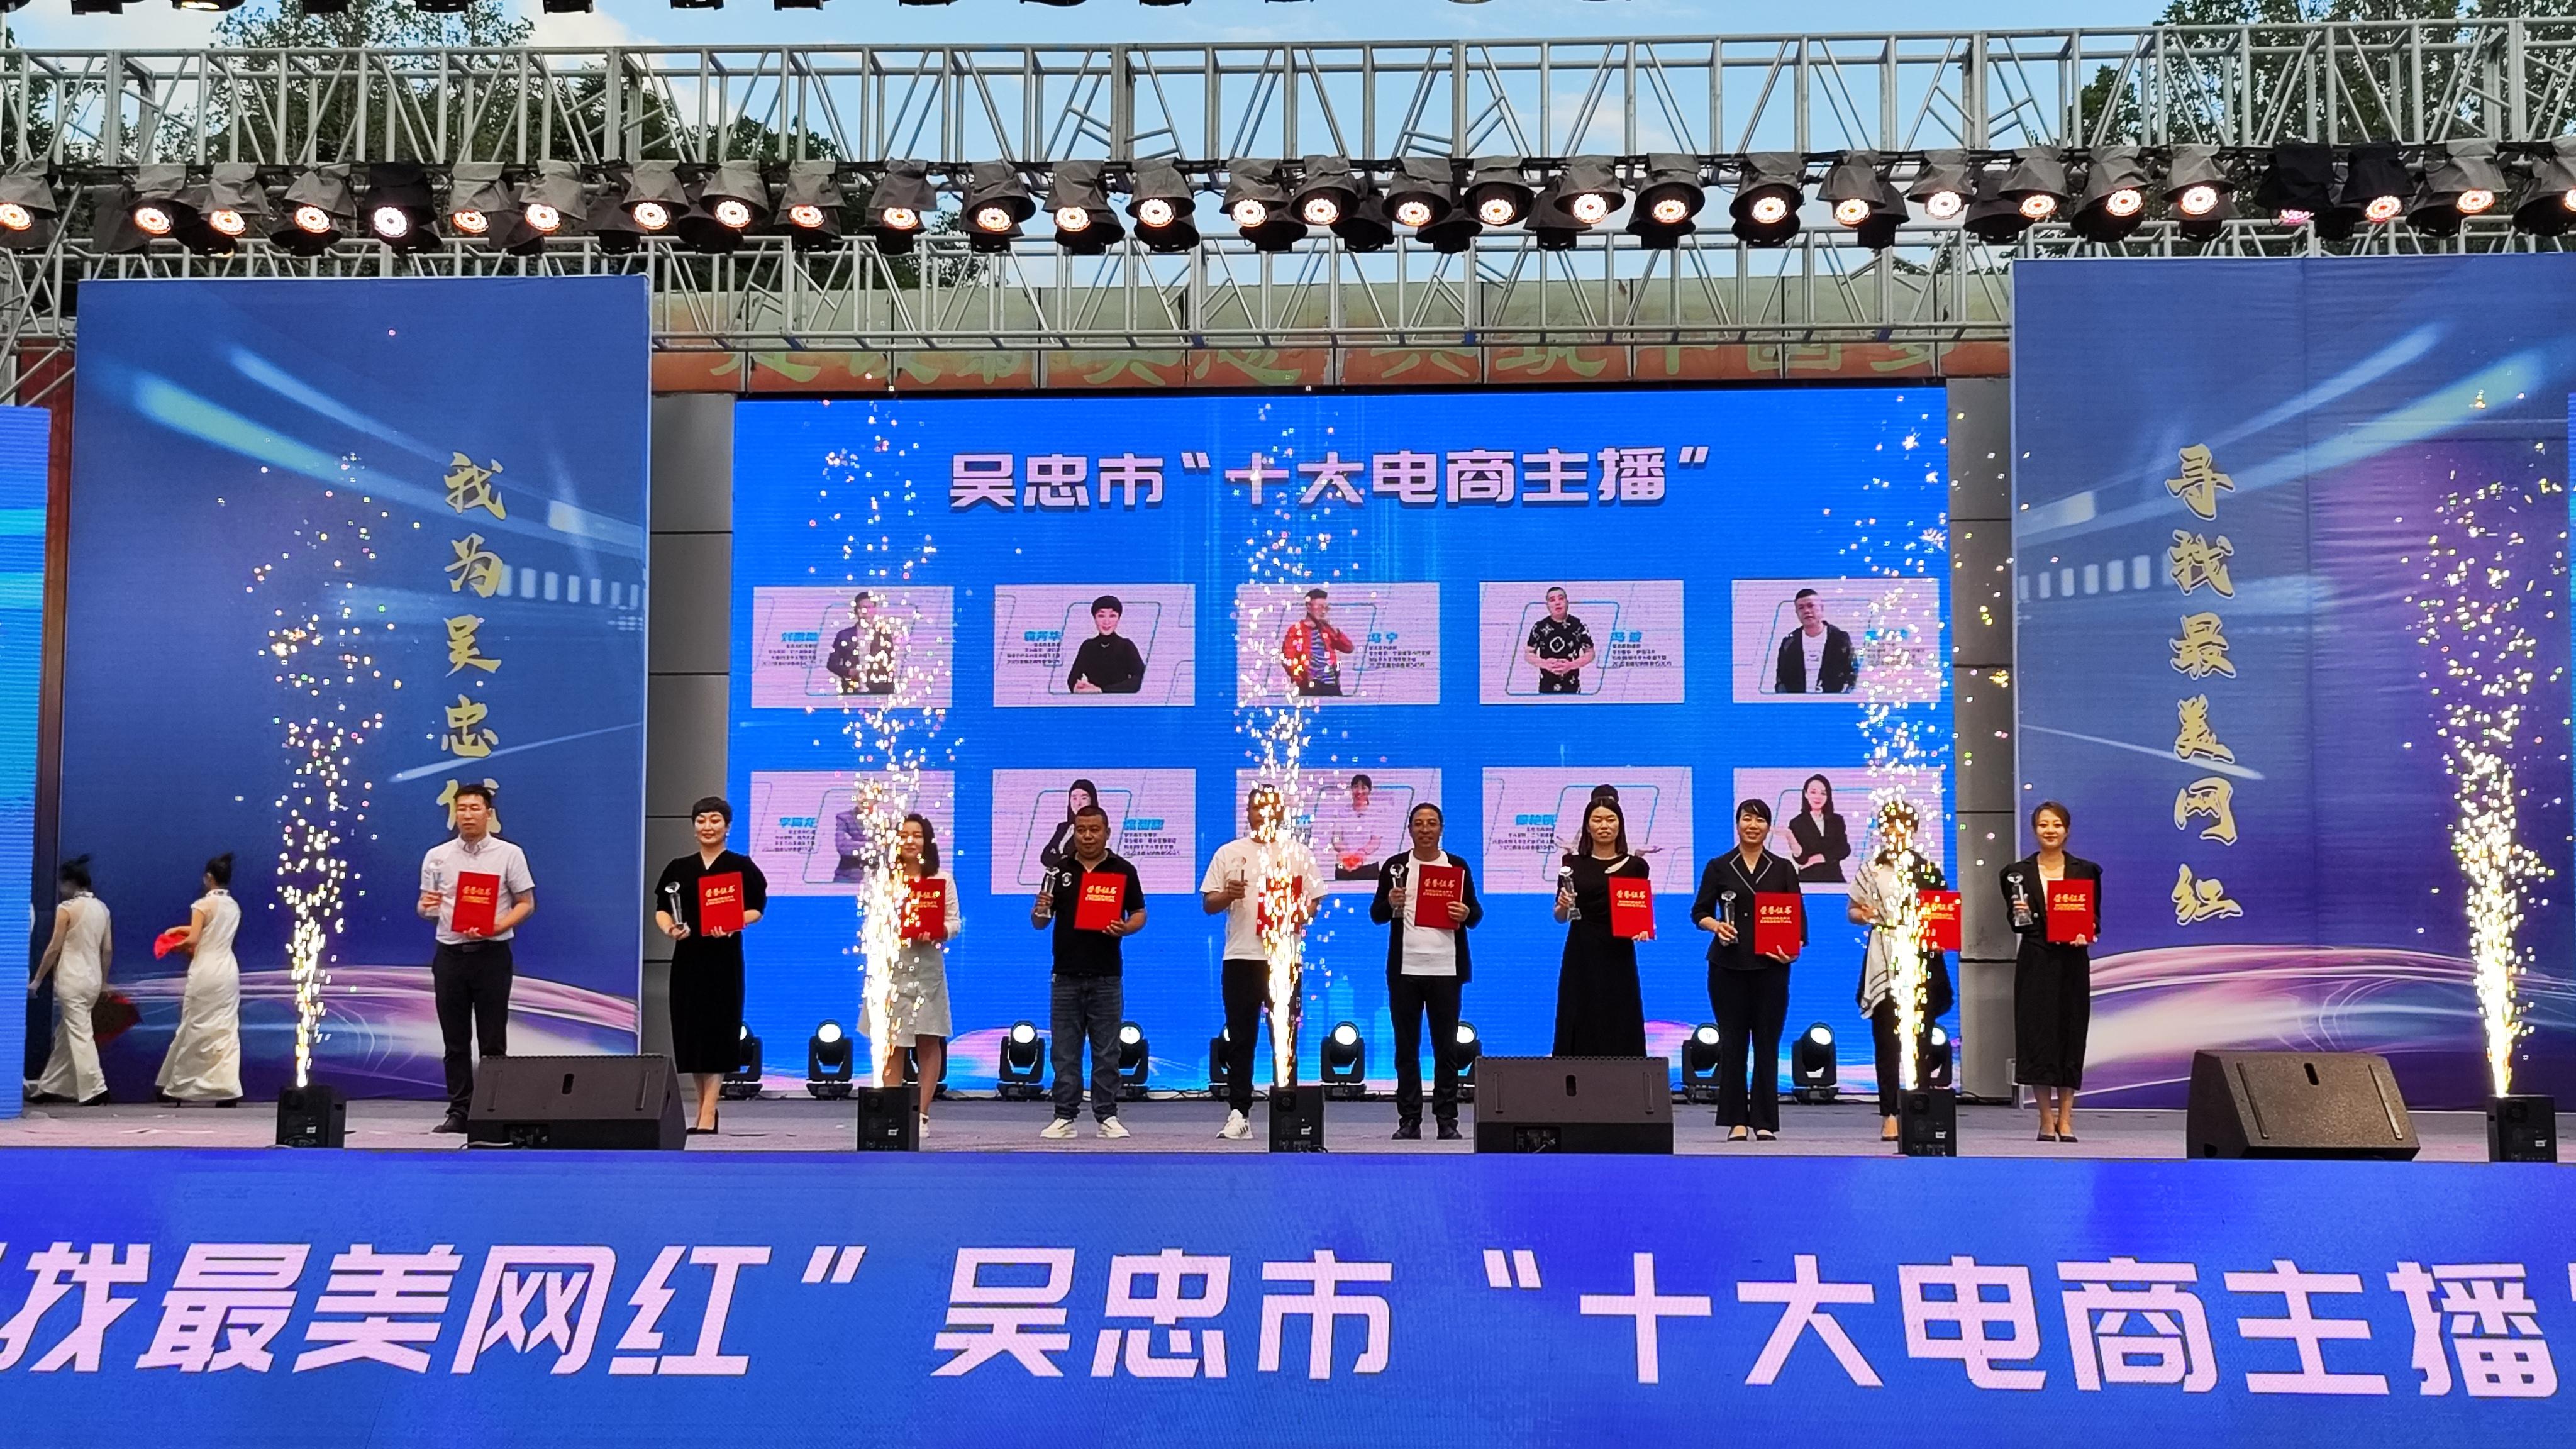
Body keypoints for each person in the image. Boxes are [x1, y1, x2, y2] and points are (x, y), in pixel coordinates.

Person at [1199, 786, 1323, 1141]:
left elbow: (1314, 902)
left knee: (1285, 1040)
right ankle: (1239, 1113)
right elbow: (1209, 904)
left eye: (1272, 807)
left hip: (1284, 960)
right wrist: (1229, 894)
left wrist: (1298, 914)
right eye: (1257, 807)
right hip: (1241, 957)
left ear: (1282, 812)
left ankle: (1288, 1113)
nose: (1264, 813)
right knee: (1241, 1039)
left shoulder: (1298, 853)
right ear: (1249, 813)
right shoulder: (1229, 852)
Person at [418, 782, 535, 1134]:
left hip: (491, 955)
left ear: (489, 814)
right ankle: (459, 1110)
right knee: (454, 1040)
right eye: (462, 809)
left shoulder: (509, 854)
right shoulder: (437, 856)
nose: (467, 815)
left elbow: (526, 903)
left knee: (493, 1039)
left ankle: (493, 1110)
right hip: (450, 955)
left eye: (475, 808)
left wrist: (497, 926)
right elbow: (426, 907)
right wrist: (425, 907)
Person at [654, 796, 769, 1135]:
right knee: (692, 1033)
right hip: (687, 960)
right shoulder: (678, 868)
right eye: (701, 820)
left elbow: (757, 908)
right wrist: (670, 929)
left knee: (718, 1031)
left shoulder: (741, 866)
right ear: (694, 827)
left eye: (715, 820)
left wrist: (735, 922)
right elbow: (663, 909)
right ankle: (705, 1108)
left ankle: (707, 1112)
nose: (708, 826)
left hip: (723, 961)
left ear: (727, 827)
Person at [1031, 803, 1145, 1138]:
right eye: (1081, 830)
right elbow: (1039, 923)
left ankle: (1106, 1116)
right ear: (1074, 833)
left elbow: (1139, 913)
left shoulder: (1123, 870)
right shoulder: (1058, 870)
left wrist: (1126, 928)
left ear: (1107, 833)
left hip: (1107, 975)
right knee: (1065, 1052)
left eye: (1094, 830)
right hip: (1065, 975)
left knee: (1107, 1052)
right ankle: (1064, 1117)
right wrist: (1040, 909)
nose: (1087, 836)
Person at [1369, 803, 1482, 1140]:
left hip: (1446, 969)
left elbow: (1476, 913)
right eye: (1419, 823)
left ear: (1441, 829)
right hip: (1405, 970)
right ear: (1410, 829)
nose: (1425, 829)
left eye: (1432, 823)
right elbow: (1376, 914)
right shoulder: (1396, 866)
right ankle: (1409, 1119)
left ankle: (1447, 1120)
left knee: (1446, 1049)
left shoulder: (1456, 866)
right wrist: (1390, 902)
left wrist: (1465, 913)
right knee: (1406, 1048)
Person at [1691, 801, 1801, 1141]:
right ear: (1737, 823)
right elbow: (1699, 912)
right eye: (1747, 819)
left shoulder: (1783, 868)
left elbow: (1798, 921)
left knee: (1767, 1045)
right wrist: (1716, 926)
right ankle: (1736, 1120)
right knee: (1733, 1044)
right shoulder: (1718, 866)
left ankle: (1765, 1120)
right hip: (1727, 967)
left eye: (1760, 820)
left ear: (1769, 826)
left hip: (1771, 968)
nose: (1753, 825)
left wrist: (1791, 951)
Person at [1849, 798, 1953, 1143]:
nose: (1897, 831)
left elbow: (1943, 914)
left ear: (1914, 830)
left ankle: (1919, 1109)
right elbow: (1853, 910)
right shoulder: (1871, 870)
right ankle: (1890, 1114)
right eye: (1890, 825)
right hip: (1884, 952)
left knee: (1921, 1038)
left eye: (1904, 824)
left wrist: (1940, 936)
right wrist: (1862, 915)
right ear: (1882, 831)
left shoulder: (1929, 870)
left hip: (1920, 957)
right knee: (1886, 1040)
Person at [2006, 800, 2101, 1144]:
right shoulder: (2016, 874)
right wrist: (2020, 913)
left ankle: (2067, 1118)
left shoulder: (2086, 870)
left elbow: (2095, 918)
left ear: (2067, 830)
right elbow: (2017, 924)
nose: (2050, 830)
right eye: (2044, 824)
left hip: (2073, 962)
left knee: (2070, 1035)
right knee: (2038, 1037)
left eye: (2057, 824)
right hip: (2037, 961)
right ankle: (2046, 1119)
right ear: (2035, 830)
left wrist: (2087, 931)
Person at [874, 813, 961, 1135]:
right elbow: (874, 922)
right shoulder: (886, 879)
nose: (911, 841)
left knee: (928, 1038)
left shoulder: (942, 879)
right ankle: (893, 1112)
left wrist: (939, 931)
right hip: (893, 967)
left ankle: (921, 1114)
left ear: (927, 841)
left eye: (918, 835)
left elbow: (955, 922)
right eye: (905, 835)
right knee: (893, 1043)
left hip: (927, 967)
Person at [1552, 794, 1650, 1057]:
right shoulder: (1571, 865)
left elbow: (1639, 910)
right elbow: (1560, 917)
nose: (1604, 825)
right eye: (1597, 820)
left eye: (1610, 819)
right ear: (1587, 826)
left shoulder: (1636, 866)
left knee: (1620, 1013)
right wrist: (1562, 905)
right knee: (1579, 1012)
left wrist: (1642, 928)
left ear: (1620, 824)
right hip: (1581, 949)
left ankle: (1624, 1077)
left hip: (1619, 952)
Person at [153, 852, 242, 1107]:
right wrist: (181, 931)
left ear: (208, 878)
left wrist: (172, 945)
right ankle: (226, 1087)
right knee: (226, 1028)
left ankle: (182, 1085)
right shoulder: (234, 906)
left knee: (195, 1024)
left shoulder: (202, 905)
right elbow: (209, 932)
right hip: (227, 970)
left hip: (206, 969)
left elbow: (194, 939)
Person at [27, 857, 112, 1106]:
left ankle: (96, 1088)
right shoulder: (102, 909)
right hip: (93, 979)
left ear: (71, 883)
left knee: (80, 1032)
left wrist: (37, 980)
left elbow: (54, 948)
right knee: (67, 1033)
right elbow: (107, 949)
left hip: (72, 978)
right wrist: (104, 982)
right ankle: (50, 1085)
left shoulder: (67, 909)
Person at [1774, 588, 1858, 694]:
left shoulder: (1840, 639)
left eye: (1811, 606)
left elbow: (1851, 674)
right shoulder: (1789, 643)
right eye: (1801, 608)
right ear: (1797, 613)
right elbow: (1781, 680)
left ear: (1821, 608)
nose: (1806, 611)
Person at [1280, 587, 1357, 697]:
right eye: (1320, 607)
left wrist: (1334, 630)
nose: (1324, 612)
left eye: (1326, 608)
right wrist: (1300, 679)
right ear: (1308, 607)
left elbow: (1349, 648)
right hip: (1311, 685)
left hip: (1332, 684)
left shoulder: (1326, 630)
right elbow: (1288, 658)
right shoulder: (1296, 630)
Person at [1523, 586, 1596, 696]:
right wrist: (1545, 664)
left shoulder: (1578, 626)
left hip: (1572, 688)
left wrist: (1571, 665)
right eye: (1552, 600)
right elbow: (1529, 654)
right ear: (1547, 605)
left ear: (1567, 602)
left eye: (1561, 599)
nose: (1557, 603)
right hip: (1546, 689)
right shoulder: (1539, 627)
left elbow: (1590, 653)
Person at [1066, 595, 1146, 694]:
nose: (1107, 622)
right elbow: (1072, 679)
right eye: (1101, 616)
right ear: (1095, 618)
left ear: (1119, 619)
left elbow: (1140, 679)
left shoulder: (1126, 646)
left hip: (1121, 701)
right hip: (1093, 700)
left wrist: (1102, 690)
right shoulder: (1088, 646)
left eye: (1112, 616)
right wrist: (1078, 688)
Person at [826, 591, 899, 696]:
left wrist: (890, 693)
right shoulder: (844, 636)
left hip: (879, 693)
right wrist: (848, 672)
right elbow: (832, 664)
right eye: (862, 608)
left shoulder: (884, 635)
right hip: (852, 692)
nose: (866, 611)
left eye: (869, 607)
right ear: (856, 610)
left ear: (875, 610)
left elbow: (889, 667)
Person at [1787, 774, 1851, 884]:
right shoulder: (1797, 823)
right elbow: (1801, 859)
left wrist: (1820, 858)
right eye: (1813, 792)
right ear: (1806, 794)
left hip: (1834, 879)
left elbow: (1844, 849)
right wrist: (1789, 837)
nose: (1818, 797)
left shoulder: (1837, 820)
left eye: (1823, 793)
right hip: (1808, 881)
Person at [1328, 774, 1387, 881]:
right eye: (1356, 787)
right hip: (1344, 866)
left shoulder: (1377, 813)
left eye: (1364, 788)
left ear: (1369, 791)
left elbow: (1375, 841)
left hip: (1368, 867)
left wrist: (1361, 854)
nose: (1359, 792)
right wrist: (1346, 853)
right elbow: (1336, 838)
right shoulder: (1342, 813)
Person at [1037, 777, 1100, 875]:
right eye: (1074, 798)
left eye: (1084, 798)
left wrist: (1057, 857)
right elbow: (1045, 857)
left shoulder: (1096, 830)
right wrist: (1064, 859)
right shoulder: (1063, 827)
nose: (1078, 803)